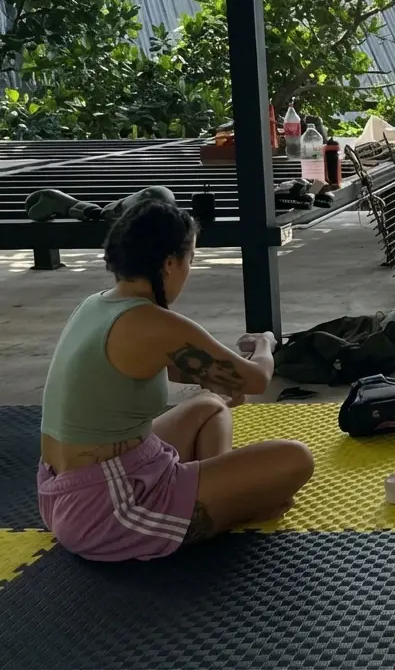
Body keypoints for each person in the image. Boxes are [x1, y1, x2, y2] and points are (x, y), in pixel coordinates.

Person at [38, 200, 315, 561]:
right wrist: (265, 342)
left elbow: (167, 369)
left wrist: (215, 382)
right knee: (296, 459)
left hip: (65, 492)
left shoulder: (96, 304)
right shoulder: (154, 322)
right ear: (169, 263)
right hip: (107, 511)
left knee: (210, 407)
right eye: (190, 259)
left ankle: (219, 493)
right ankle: (219, 508)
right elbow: (257, 380)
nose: (189, 270)